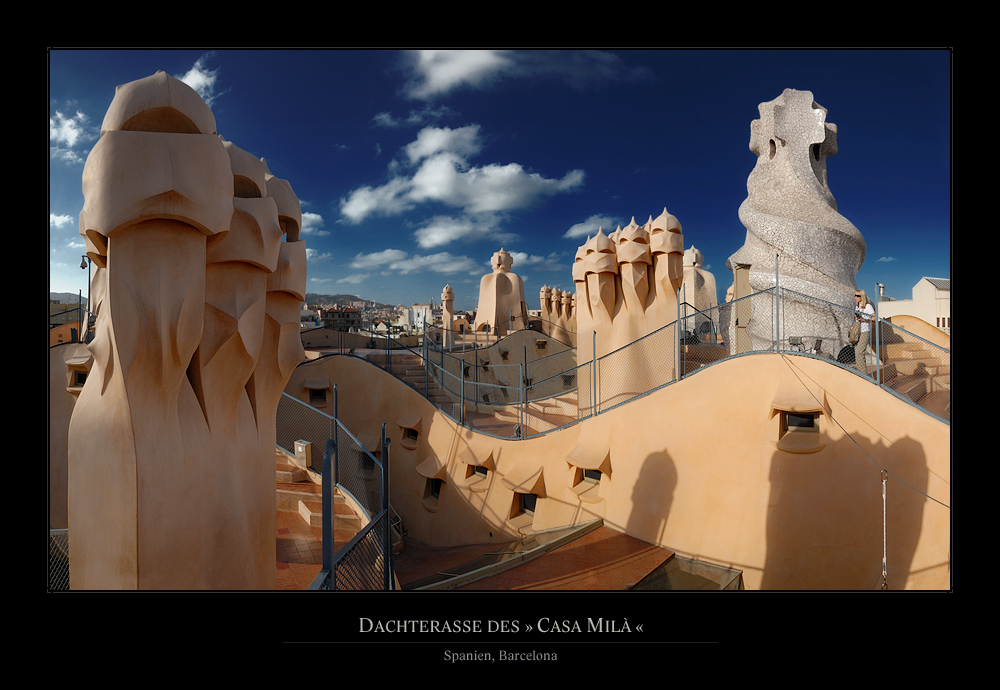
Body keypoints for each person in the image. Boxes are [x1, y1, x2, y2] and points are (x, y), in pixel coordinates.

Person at [853, 289, 875, 375]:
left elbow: (874, 318)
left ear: (862, 297)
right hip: (857, 331)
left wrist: (864, 319)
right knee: (857, 352)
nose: (856, 297)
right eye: (855, 295)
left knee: (859, 351)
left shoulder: (867, 306)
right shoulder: (856, 307)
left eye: (858, 296)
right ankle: (860, 372)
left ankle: (863, 374)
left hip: (865, 331)